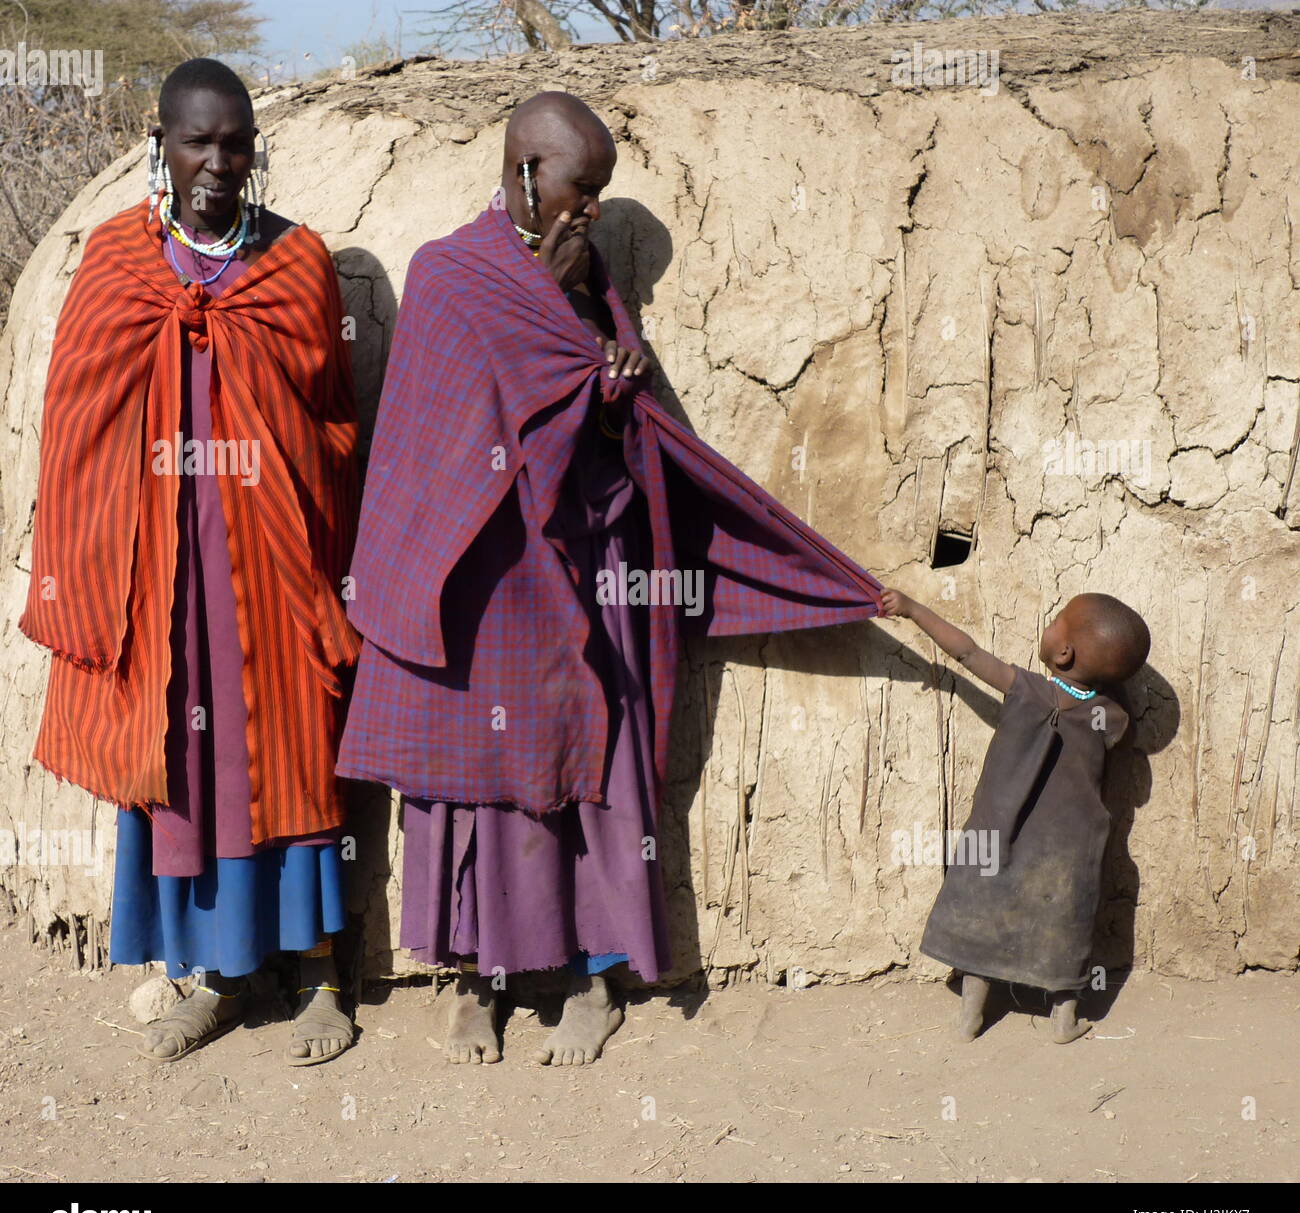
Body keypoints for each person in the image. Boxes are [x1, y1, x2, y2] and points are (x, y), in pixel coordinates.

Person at [338, 92, 883, 1066]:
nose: (589, 212)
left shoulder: (587, 283)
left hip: (586, 568)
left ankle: (593, 974)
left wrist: (608, 382)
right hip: (486, 580)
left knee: (595, 763)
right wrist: (562, 345)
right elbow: (446, 441)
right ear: (525, 172)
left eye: (601, 196)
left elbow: (609, 435)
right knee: (483, 783)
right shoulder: (448, 274)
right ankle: (479, 982)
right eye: (581, 191)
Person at [21, 59, 361, 1065]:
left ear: (254, 150)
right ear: (159, 144)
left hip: (270, 567)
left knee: (293, 752)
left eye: (235, 144)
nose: (217, 163)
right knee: (183, 753)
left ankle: (323, 979)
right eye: (197, 142)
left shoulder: (296, 265)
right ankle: (209, 976)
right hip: (162, 573)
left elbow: (335, 427)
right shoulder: (120, 262)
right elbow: (73, 424)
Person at [878, 588, 1150, 1043]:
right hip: (1069, 847)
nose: (1051, 623)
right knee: (1066, 923)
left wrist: (911, 608)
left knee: (983, 915)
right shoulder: (1112, 716)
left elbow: (964, 651)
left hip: (999, 831)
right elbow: (1106, 727)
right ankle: (1063, 1021)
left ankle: (971, 1017)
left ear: (1062, 652)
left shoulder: (1025, 688)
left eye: (1058, 620)